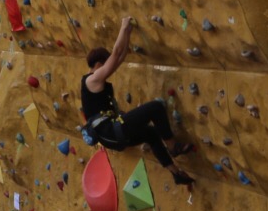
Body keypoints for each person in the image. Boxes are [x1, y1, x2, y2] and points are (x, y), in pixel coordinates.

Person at [84, 16, 195, 187]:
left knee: (151, 134)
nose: (108, 69)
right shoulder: (91, 80)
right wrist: (123, 26)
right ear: (98, 64)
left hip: (113, 137)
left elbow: (119, 58)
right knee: (156, 108)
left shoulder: (95, 82)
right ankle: (173, 147)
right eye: (105, 65)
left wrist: (128, 34)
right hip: (112, 131)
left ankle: (175, 173)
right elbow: (115, 54)